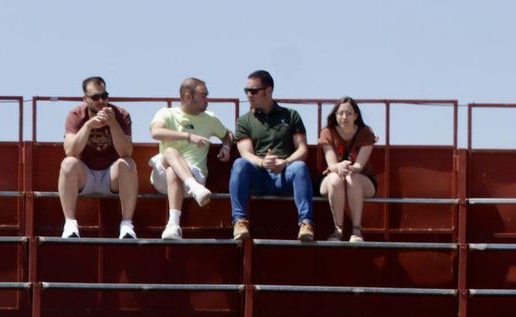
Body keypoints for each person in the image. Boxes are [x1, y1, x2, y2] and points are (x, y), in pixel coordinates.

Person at [231, 70, 315, 243]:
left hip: (284, 175)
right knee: (239, 164)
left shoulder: (291, 115)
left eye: (253, 90)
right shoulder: (244, 121)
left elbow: (302, 149)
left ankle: (306, 224)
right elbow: (245, 152)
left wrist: (286, 162)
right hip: (259, 176)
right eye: (246, 90)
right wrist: (262, 163)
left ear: (268, 91)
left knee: (299, 167)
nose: (248, 94)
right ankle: (239, 222)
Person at [149, 78, 232, 241]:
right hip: (164, 179)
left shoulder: (210, 118)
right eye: (204, 95)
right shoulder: (166, 113)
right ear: (188, 97)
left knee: (174, 171)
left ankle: (173, 225)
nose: (208, 100)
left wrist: (226, 147)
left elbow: (227, 134)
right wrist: (188, 136)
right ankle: (192, 186)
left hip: (195, 174)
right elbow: (155, 132)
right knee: (170, 152)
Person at [60, 77, 136, 240]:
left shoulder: (121, 115)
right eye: (95, 97)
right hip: (85, 176)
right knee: (68, 164)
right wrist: (88, 126)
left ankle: (127, 224)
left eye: (105, 95)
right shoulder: (76, 115)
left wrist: (113, 123)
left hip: (111, 176)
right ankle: (70, 224)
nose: (101, 101)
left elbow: (126, 152)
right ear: (85, 99)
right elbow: (70, 151)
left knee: (128, 164)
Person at [319, 97, 378, 242]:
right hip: (333, 178)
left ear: (356, 116)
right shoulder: (327, 133)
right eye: (340, 113)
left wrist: (348, 167)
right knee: (335, 179)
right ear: (335, 115)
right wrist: (338, 167)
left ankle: (356, 231)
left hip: (361, 180)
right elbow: (331, 164)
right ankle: (337, 230)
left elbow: (359, 166)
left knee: (353, 178)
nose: (344, 117)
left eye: (349, 113)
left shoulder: (366, 133)